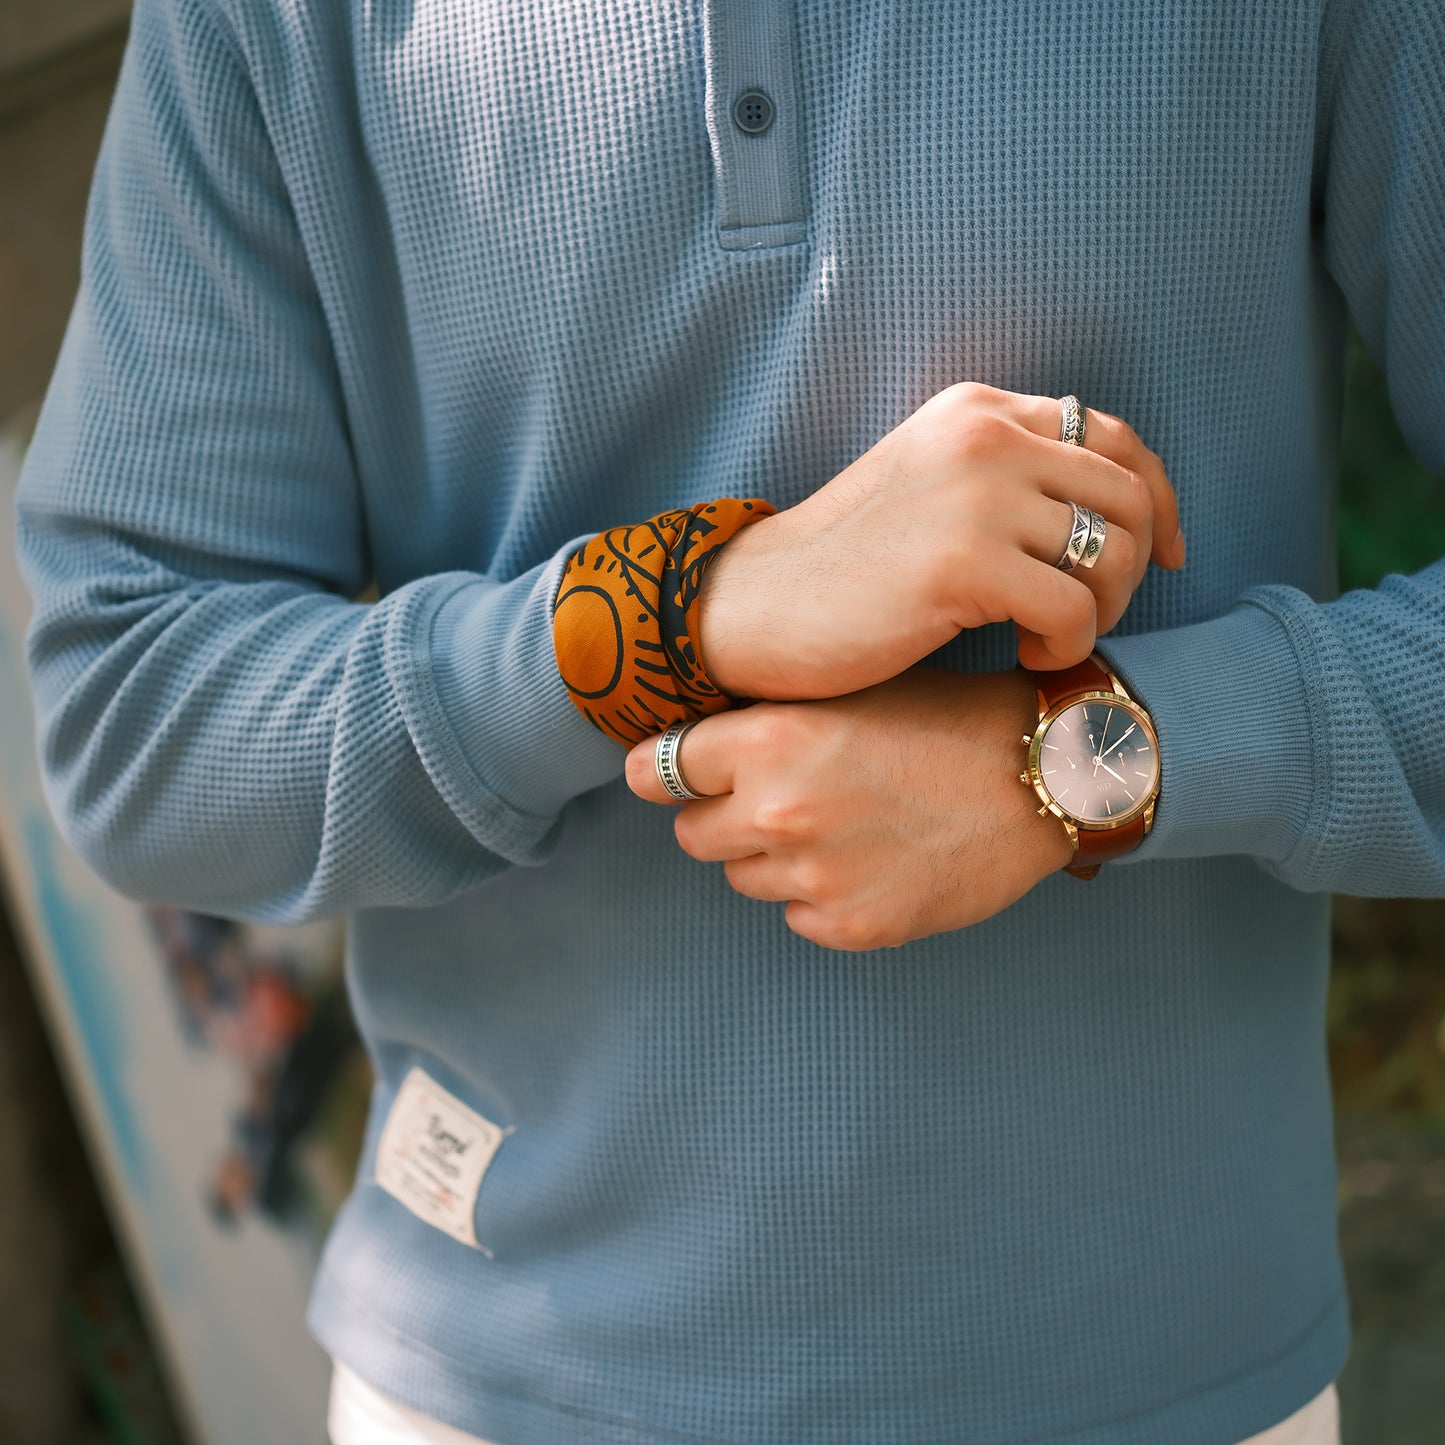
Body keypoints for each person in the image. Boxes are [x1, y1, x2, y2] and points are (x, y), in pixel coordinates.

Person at [15, 0, 1445, 1441]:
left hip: (1168, 1388)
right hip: (488, 1394)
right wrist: (675, 612)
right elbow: (138, 707)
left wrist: (1069, 767)